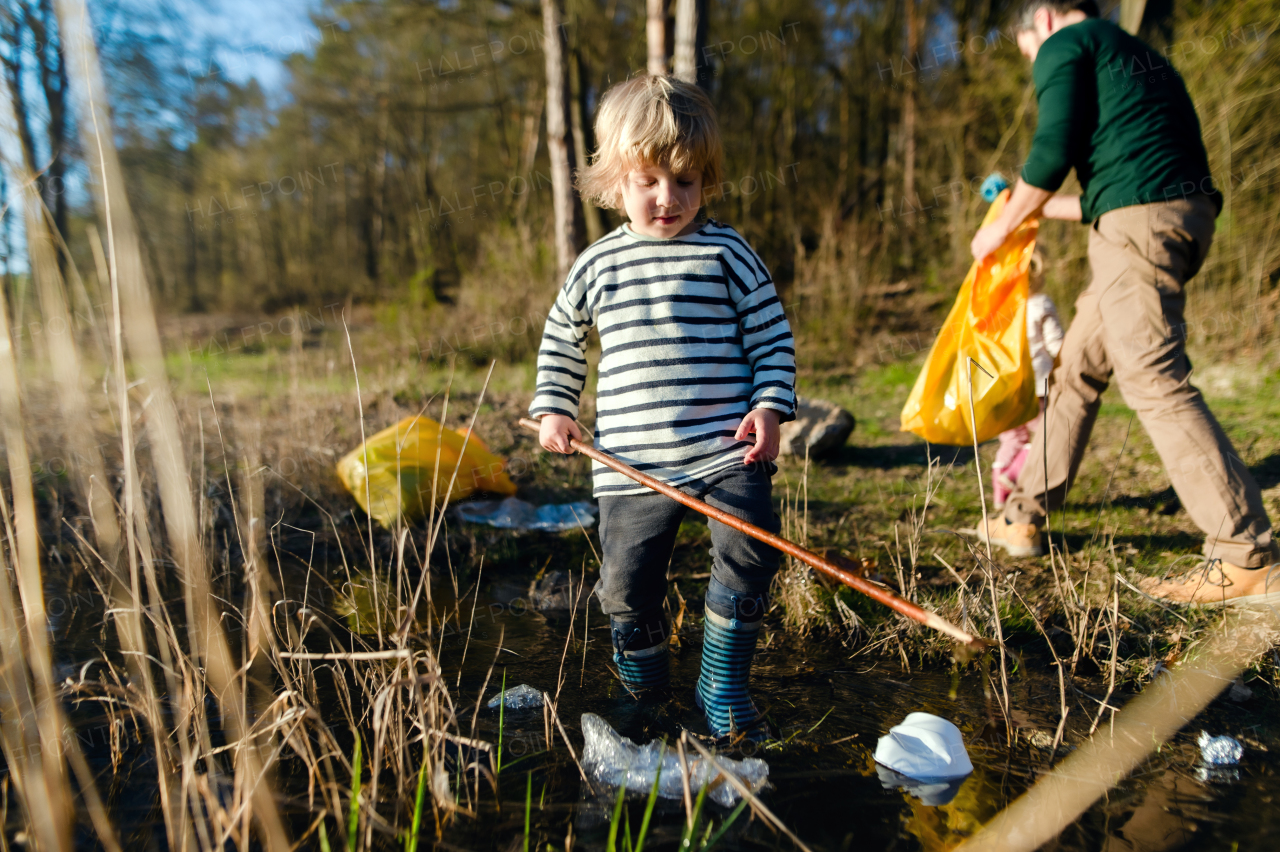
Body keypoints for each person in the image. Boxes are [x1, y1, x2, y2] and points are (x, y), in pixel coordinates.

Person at [968, 0, 1278, 603]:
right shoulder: (1138, 57)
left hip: (1136, 229)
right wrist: (1018, 202)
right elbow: (1096, 198)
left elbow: (1053, 152)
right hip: (1167, 218)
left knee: (1151, 375)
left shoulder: (1067, 43)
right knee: (1075, 369)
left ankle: (1245, 552)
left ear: (1045, 21)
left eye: (1028, 50)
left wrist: (998, 229)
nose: (1036, 62)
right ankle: (1023, 514)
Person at [529, 74, 796, 739]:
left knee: (749, 553)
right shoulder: (597, 265)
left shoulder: (727, 254)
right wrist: (556, 407)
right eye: (648, 180)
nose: (668, 198)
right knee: (625, 587)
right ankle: (644, 692)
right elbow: (562, 337)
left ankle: (722, 684)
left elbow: (771, 336)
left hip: (723, 450)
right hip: (628, 461)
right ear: (614, 182)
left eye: (686, 181)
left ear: (706, 180)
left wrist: (768, 407)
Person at [992, 248, 1064, 511]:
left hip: (1006, 387)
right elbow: (1055, 344)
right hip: (1036, 387)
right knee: (1046, 434)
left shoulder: (999, 308)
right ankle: (1012, 476)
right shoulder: (1041, 305)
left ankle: (1000, 496)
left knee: (1012, 438)